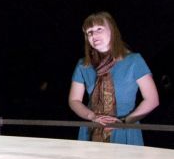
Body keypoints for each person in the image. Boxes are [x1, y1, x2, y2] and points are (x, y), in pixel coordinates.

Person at [68, 11, 160, 145]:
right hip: (92, 129)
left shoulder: (134, 61)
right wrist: (92, 116)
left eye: (99, 29)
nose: (94, 35)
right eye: (89, 32)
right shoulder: (83, 65)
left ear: (112, 30)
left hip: (124, 129)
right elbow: (74, 100)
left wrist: (125, 122)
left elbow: (152, 100)